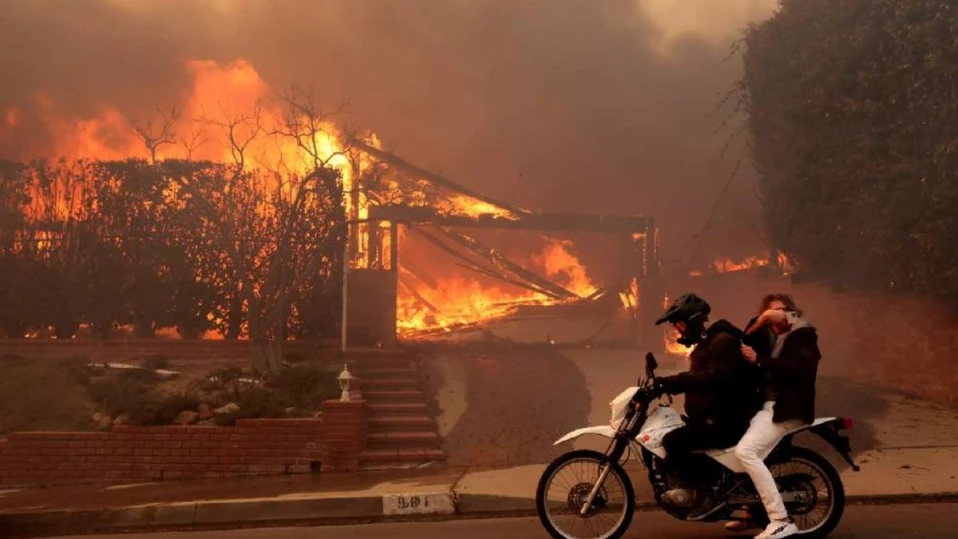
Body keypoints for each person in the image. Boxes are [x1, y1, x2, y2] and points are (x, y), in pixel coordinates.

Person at [654, 293, 762, 521]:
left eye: (680, 325)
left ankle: (707, 493)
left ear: (692, 319)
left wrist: (673, 382)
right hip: (714, 417)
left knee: (674, 441)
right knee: (677, 432)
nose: (679, 332)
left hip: (727, 421)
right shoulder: (709, 343)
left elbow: (712, 377)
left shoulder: (722, 341)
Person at [734, 295, 821, 539]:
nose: (776, 317)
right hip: (770, 406)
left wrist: (759, 360)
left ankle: (780, 520)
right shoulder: (775, 336)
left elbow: (799, 369)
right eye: (770, 313)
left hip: (785, 409)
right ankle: (752, 512)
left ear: (792, 314)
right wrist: (760, 323)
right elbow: (744, 341)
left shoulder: (804, 335)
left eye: (782, 311)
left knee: (746, 452)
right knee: (736, 453)